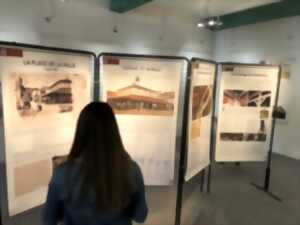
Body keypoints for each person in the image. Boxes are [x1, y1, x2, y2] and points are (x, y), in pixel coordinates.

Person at [43, 102, 148, 225]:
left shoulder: (62, 173)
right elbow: (140, 216)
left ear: (80, 131)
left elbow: (48, 219)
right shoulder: (131, 169)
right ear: (113, 131)